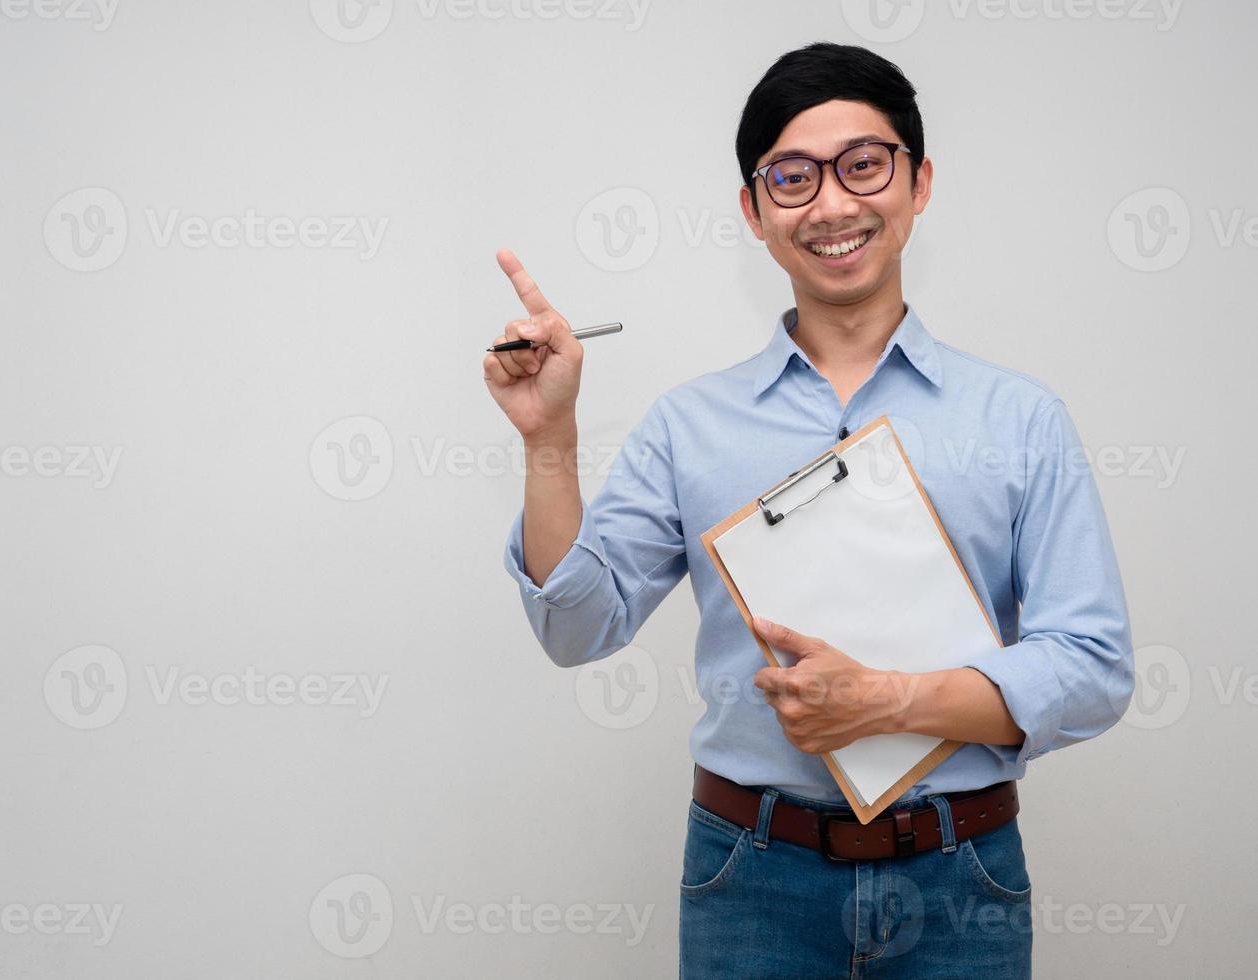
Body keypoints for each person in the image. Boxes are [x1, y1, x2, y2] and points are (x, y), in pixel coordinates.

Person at [482, 40, 1133, 979]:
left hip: (963, 877)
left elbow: (1094, 668)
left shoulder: (1019, 418)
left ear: (918, 183)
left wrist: (891, 702)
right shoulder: (688, 425)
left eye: (863, 165)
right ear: (752, 211)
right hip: (750, 878)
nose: (831, 204)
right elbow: (575, 630)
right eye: (791, 177)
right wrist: (548, 440)